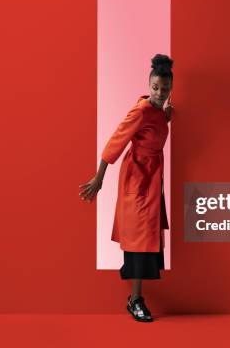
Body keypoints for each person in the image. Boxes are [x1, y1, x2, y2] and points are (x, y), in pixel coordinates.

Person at [79, 54, 174, 322]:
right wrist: (99, 179)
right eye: (155, 87)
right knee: (139, 239)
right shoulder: (141, 110)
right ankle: (135, 300)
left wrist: (166, 117)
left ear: (171, 89)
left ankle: (136, 298)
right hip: (137, 177)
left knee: (146, 237)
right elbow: (115, 142)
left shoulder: (159, 111)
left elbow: (155, 127)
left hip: (153, 177)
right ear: (148, 84)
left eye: (164, 89)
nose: (159, 93)